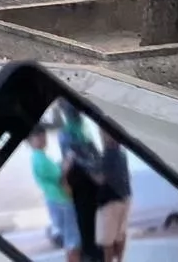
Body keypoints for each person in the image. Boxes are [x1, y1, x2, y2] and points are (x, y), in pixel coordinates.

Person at [58, 104, 104, 262]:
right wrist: (94, 170)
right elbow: (75, 157)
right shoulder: (66, 133)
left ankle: (95, 252)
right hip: (81, 182)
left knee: (93, 217)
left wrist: (99, 168)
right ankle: (90, 253)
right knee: (85, 218)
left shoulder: (83, 128)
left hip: (90, 182)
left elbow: (94, 151)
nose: (73, 111)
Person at [28, 128, 82, 262]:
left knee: (70, 239)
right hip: (60, 200)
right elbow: (60, 175)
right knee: (73, 241)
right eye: (38, 136)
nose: (43, 138)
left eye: (43, 135)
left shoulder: (40, 157)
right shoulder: (40, 158)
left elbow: (57, 170)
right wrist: (69, 159)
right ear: (31, 141)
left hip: (56, 199)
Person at [95, 133, 131, 262]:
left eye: (103, 133)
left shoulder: (106, 156)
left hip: (110, 202)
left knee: (107, 241)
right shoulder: (122, 154)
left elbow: (100, 179)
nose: (102, 135)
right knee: (120, 235)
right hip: (125, 197)